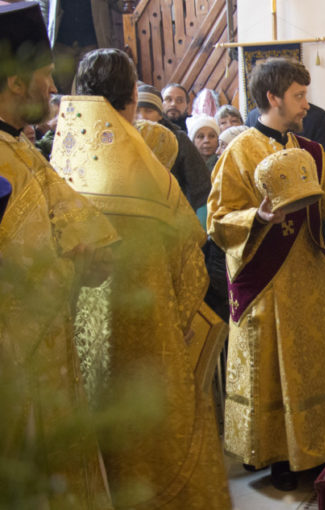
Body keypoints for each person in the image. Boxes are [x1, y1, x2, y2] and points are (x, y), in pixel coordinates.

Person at [54, 48, 230, 509]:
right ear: (132, 97)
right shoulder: (150, 178)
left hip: (68, 335)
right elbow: (190, 263)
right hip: (146, 336)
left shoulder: (56, 162)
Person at [208, 57, 325, 490]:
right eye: (298, 96)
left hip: (308, 281)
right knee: (272, 367)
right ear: (273, 97)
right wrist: (256, 217)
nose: (305, 104)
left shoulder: (310, 149)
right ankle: (277, 453)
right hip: (266, 283)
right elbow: (218, 220)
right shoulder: (240, 150)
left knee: (309, 364)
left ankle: (313, 447)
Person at [0, 4, 117, 507]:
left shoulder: (21, 148)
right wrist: (76, 261)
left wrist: (86, 257)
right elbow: (24, 275)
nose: (53, 89)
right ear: (16, 82)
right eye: (46, 77)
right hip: (17, 368)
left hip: (49, 357)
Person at [137, 84, 212, 211]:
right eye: (136, 111)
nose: (142, 117)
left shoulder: (178, 139)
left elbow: (201, 187)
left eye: (149, 111)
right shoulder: (123, 139)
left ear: (160, 115)